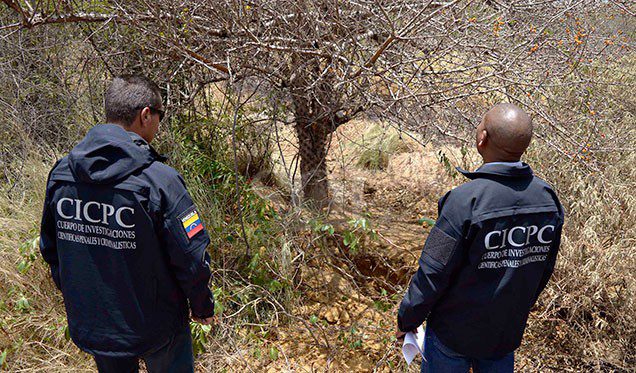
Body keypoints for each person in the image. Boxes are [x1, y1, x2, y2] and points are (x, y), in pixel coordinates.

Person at [39, 75, 215, 373]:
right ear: (146, 115)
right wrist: (202, 306)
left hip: (98, 326)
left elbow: (51, 250)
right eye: (160, 116)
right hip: (159, 327)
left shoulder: (62, 173)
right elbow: (192, 257)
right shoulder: (160, 181)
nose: (159, 125)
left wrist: (83, 298)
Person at [396, 103, 564, 372]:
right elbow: (543, 270)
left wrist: (407, 318)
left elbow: (432, 272)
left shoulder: (464, 202)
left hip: (452, 336)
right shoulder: (547, 199)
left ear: (482, 138)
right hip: (503, 335)